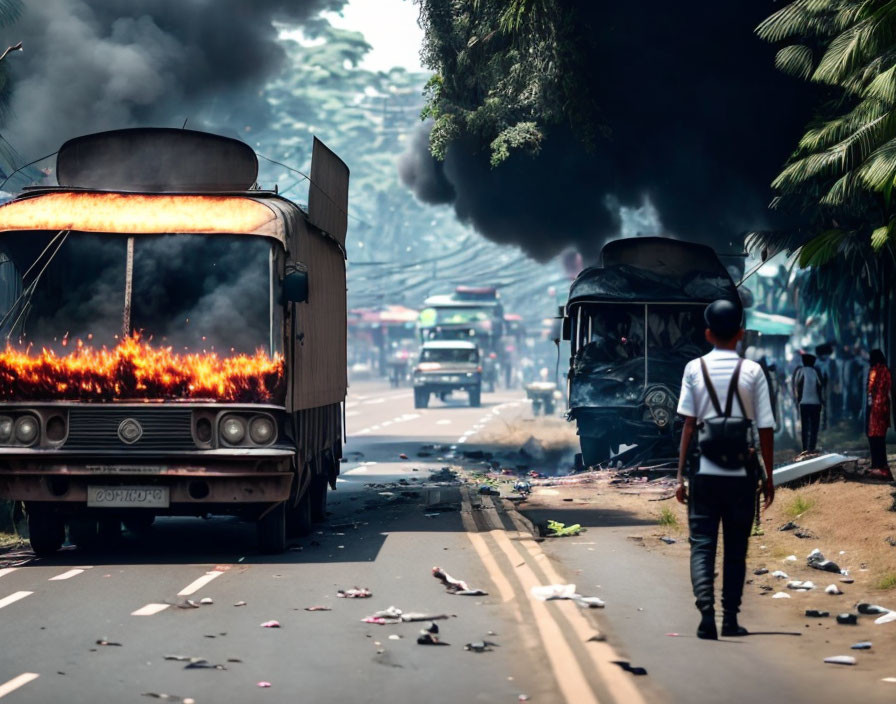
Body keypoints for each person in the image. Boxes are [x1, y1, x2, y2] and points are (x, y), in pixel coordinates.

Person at [676, 300, 775, 640]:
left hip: (703, 473)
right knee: (736, 548)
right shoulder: (753, 372)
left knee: (702, 544)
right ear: (740, 334)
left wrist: (680, 477)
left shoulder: (693, 369)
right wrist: (769, 477)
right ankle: (730, 619)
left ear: (707, 333)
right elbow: (765, 429)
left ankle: (706, 615)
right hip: (741, 475)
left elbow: (689, 426)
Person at [866, 349, 893, 480]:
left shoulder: (874, 370)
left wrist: (869, 406)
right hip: (885, 408)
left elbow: (870, 389)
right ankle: (884, 467)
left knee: (873, 437)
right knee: (881, 438)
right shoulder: (886, 371)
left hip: (875, 408)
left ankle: (877, 466)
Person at [792, 352, 823, 454]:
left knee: (805, 427)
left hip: (803, 403)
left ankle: (805, 449)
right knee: (814, 427)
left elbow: (796, 386)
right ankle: (812, 447)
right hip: (815, 403)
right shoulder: (815, 372)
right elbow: (820, 385)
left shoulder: (800, 371)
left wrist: (797, 400)